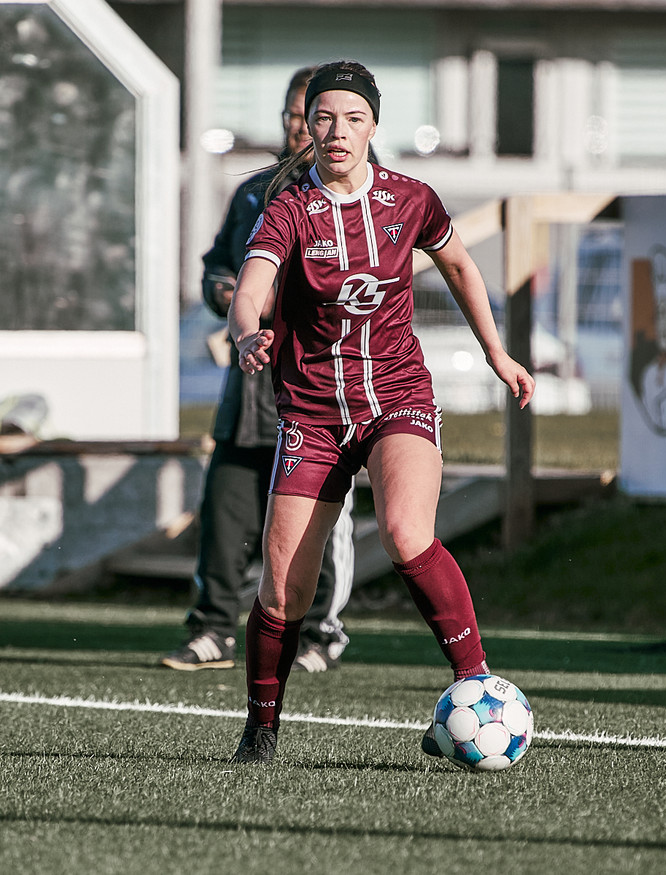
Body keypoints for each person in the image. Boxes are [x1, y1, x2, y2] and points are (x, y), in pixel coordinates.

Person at [228, 60, 535, 764]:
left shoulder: (411, 200)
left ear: (373, 126)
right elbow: (252, 286)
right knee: (282, 590)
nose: (337, 131)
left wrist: (497, 353)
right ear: (308, 127)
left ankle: (474, 680)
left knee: (404, 530)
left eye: (353, 118)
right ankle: (261, 728)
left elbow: (460, 266)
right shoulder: (289, 209)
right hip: (312, 413)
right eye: (323, 118)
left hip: (397, 397)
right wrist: (248, 333)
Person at [161, 67, 355, 674]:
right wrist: (228, 293)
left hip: (317, 388)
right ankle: (213, 629)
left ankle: (319, 633)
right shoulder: (253, 193)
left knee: (317, 516)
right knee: (224, 509)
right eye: (293, 117)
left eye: (311, 117)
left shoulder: (355, 195)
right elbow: (219, 267)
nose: (300, 128)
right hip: (247, 386)